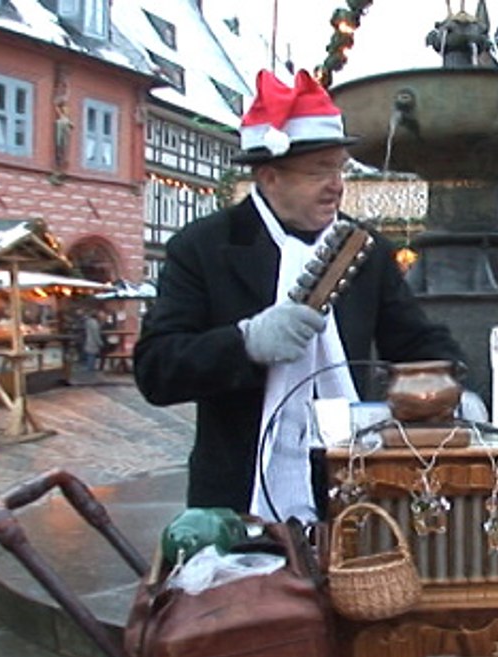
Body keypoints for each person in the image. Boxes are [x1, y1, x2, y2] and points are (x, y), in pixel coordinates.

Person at [134, 70, 465, 520]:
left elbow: (415, 341)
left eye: (339, 168)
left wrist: (455, 382)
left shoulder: (364, 250)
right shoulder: (202, 247)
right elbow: (156, 370)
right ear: (269, 177)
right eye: (318, 171)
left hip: (354, 485)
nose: (336, 184)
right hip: (239, 489)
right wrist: (245, 342)